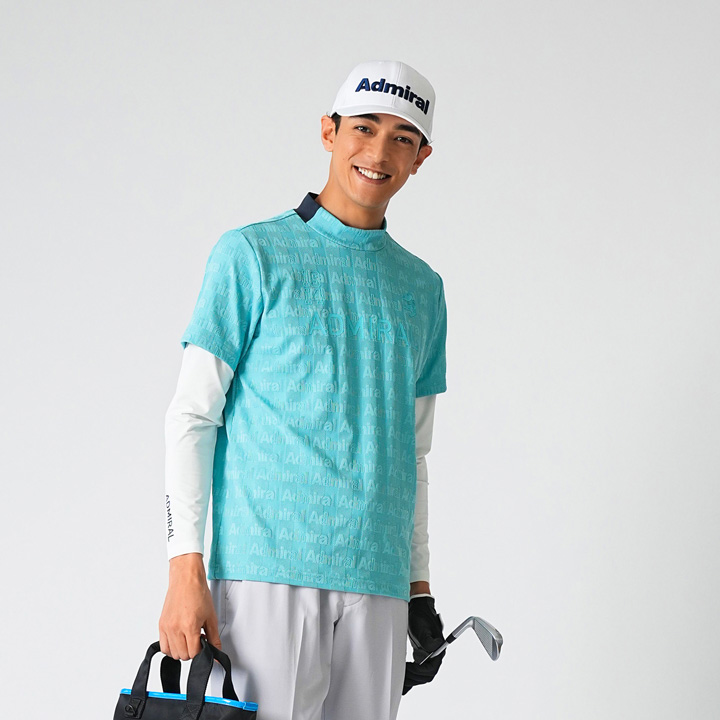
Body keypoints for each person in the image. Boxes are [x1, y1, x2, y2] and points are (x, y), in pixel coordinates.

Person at [158, 60, 449, 720]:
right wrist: (184, 568)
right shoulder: (251, 255)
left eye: (402, 138)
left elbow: (413, 455)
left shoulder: (423, 290)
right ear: (328, 131)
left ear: (421, 157)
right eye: (364, 128)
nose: (379, 152)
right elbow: (192, 417)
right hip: (266, 573)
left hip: (377, 584)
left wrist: (419, 587)